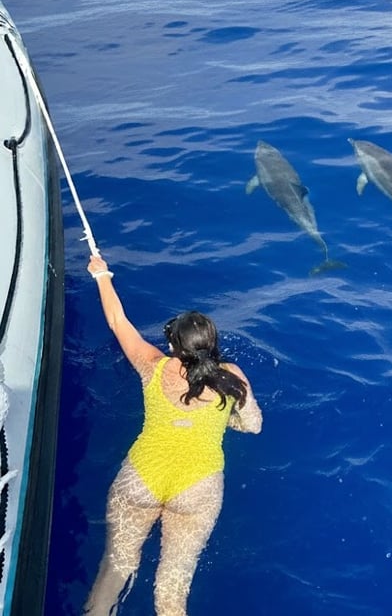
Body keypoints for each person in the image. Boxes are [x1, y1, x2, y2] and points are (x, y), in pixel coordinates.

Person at [83, 254, 263, 616]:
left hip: (141, 478)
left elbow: (119, 322)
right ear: (210, 345)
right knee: (171, 592)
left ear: (175, 347)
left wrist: (101, 275)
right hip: (198, 488)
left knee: (115, 569)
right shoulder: (232, 377)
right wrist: (224, 418)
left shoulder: (153, 366)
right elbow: (254, 425)